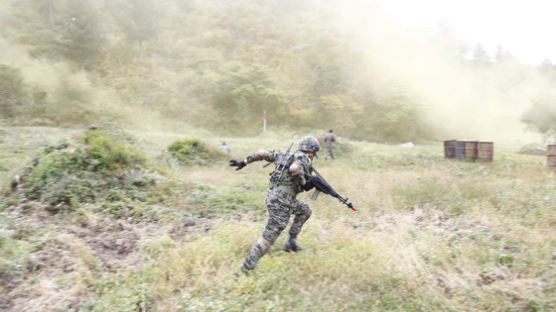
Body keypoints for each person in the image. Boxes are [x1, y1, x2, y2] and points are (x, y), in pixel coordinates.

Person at [229, 135, 321, 276]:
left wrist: (244, 162)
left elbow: (262, 154)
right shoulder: (304, 158)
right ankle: (243, 271)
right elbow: (294, 168)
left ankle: (291, 243)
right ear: (311, 151)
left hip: (275, 196)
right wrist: (303, 180)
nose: (314, 156)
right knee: (267, 240)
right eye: (314, 153)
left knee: (305, 211)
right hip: (282, 202)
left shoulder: (284, 155)